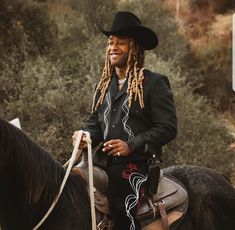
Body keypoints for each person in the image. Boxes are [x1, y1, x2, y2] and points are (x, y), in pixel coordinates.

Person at [72, 11, 177, 230]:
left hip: (138, 164)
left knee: (121, 206)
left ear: (135, 48)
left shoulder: (154, 83)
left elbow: (167, 127)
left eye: (121, 43)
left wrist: (131, 146)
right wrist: (85, 135)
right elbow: (95, 123)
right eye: (111, 43)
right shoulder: (104, 86)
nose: (113, 47)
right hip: (102, 163)